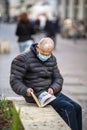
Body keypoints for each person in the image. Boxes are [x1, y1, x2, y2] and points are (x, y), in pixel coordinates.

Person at [10, 37, 82, 130]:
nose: (45, 56)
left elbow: (58, 78)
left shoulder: (51, 58)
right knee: (68, 108)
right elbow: (15, 80)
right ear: (37, 47)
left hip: (50, 93)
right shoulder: (22, 59)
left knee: (77, 108)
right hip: (36, 95)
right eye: (43, 53)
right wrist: (25, 90)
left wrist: (53, 88)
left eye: (48, 54)